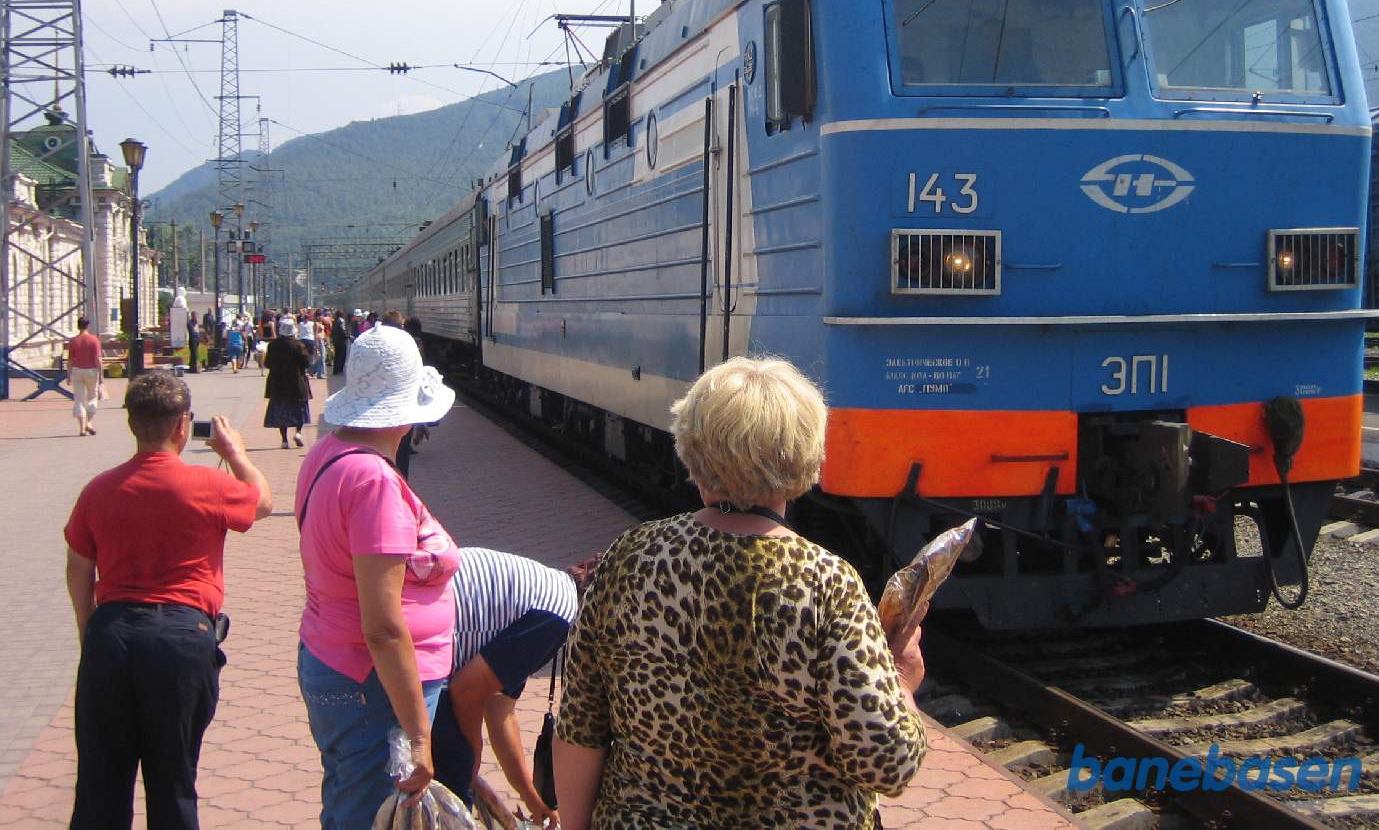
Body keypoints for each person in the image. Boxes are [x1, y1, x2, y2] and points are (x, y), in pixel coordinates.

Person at [553, 356, 928, 830]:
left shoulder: (628, 558)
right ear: (805, 454)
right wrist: (903, 683)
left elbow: (580, 728)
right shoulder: (828, 584)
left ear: (691, 448)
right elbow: (886, 763)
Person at [63, 372, 273, 829]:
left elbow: (79, 566)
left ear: (131, 423)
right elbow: (262, 502)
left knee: (100, 781)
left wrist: (88, 630)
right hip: (181, 637)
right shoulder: (206, 484)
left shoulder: (99, 489)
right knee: (173, 777)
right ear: (183, 425)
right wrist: (235, 453)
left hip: (112, 634)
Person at [295, 324, 458, 828]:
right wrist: (419, 737)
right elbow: (383, 627)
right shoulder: (374, 482)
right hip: (370, 685)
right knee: (368, 815)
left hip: (333, 660)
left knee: (347, 799)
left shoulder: (328, 453)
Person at [431, 548, 583, 827]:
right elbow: (466, 692)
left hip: (427, 630)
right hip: (422, 639)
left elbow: (501, 712)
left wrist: (532, 799)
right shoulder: (556, 618)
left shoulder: (549, 595)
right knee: (454, 791)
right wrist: (471, 762)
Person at [263, 317, 311, 448]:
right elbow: (306, 363)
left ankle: (284, 440)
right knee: (299, 410)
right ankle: (298, 433)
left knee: (281, 413)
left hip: (278, 383)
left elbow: (267, 363)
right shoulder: (299, 345)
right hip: (297, 382)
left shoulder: (273, 345)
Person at [67, 317, 103, 437]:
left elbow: (70, 360)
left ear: (78, 326)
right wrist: (101, 376)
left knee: (79, 399)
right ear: (88, 325)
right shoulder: (94, 340)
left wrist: (68, 375)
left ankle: (82, 428)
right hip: (91, 371)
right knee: (92, 397)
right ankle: (88, 422)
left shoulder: (73, 341)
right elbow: (98, 359)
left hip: (77, 371)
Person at [331, 310, 349, 376]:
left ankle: (335, 370)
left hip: (336, 341)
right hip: (342, 341)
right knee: (342, 355)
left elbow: (332, 331)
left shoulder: (334, 321)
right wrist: (347, 336)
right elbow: (342, 330)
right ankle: (340, 370)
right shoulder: (341, 321)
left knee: (337, 356)